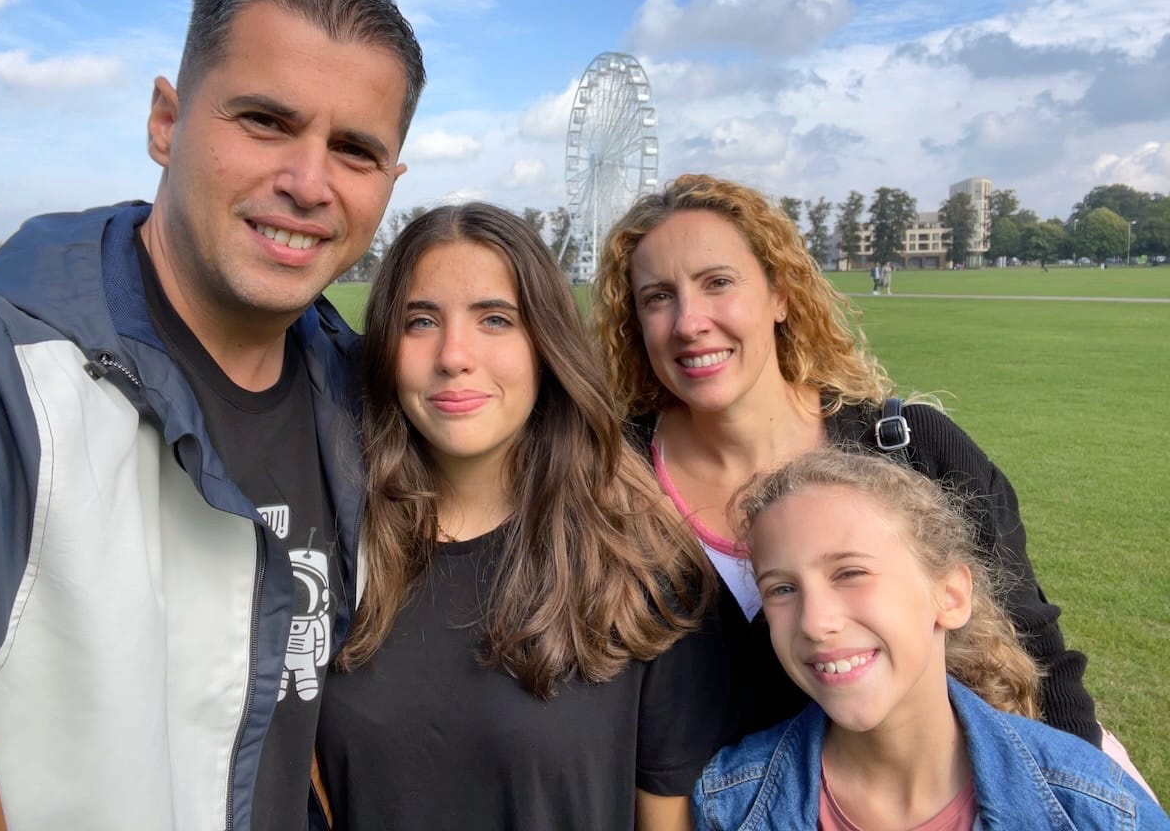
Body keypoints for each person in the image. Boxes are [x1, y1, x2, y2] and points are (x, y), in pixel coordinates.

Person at [0, 0, 424, 830]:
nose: (308, 183)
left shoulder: (364, 400)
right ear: (165, 122)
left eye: (355, 150)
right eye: (265, 121)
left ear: (390, 183)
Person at [591, 174, 1101, 744]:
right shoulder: (604, 477)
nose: (689, 322)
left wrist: (1080, 781)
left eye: (718, 283)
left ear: (780, 295)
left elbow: (1038, 654)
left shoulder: (913, 449)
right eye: (658, 297)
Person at [316, 203, 735, 830]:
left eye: (495, 319)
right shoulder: (327, 546)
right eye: (421, 321)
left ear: (545, 345)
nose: (454, 355)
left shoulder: (643, 565)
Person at [693, 448, 1169, 830]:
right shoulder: (730, 803)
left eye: (850, 573)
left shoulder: (1094, 807)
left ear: (951, 596)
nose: (815, 623)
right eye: (782, 589)